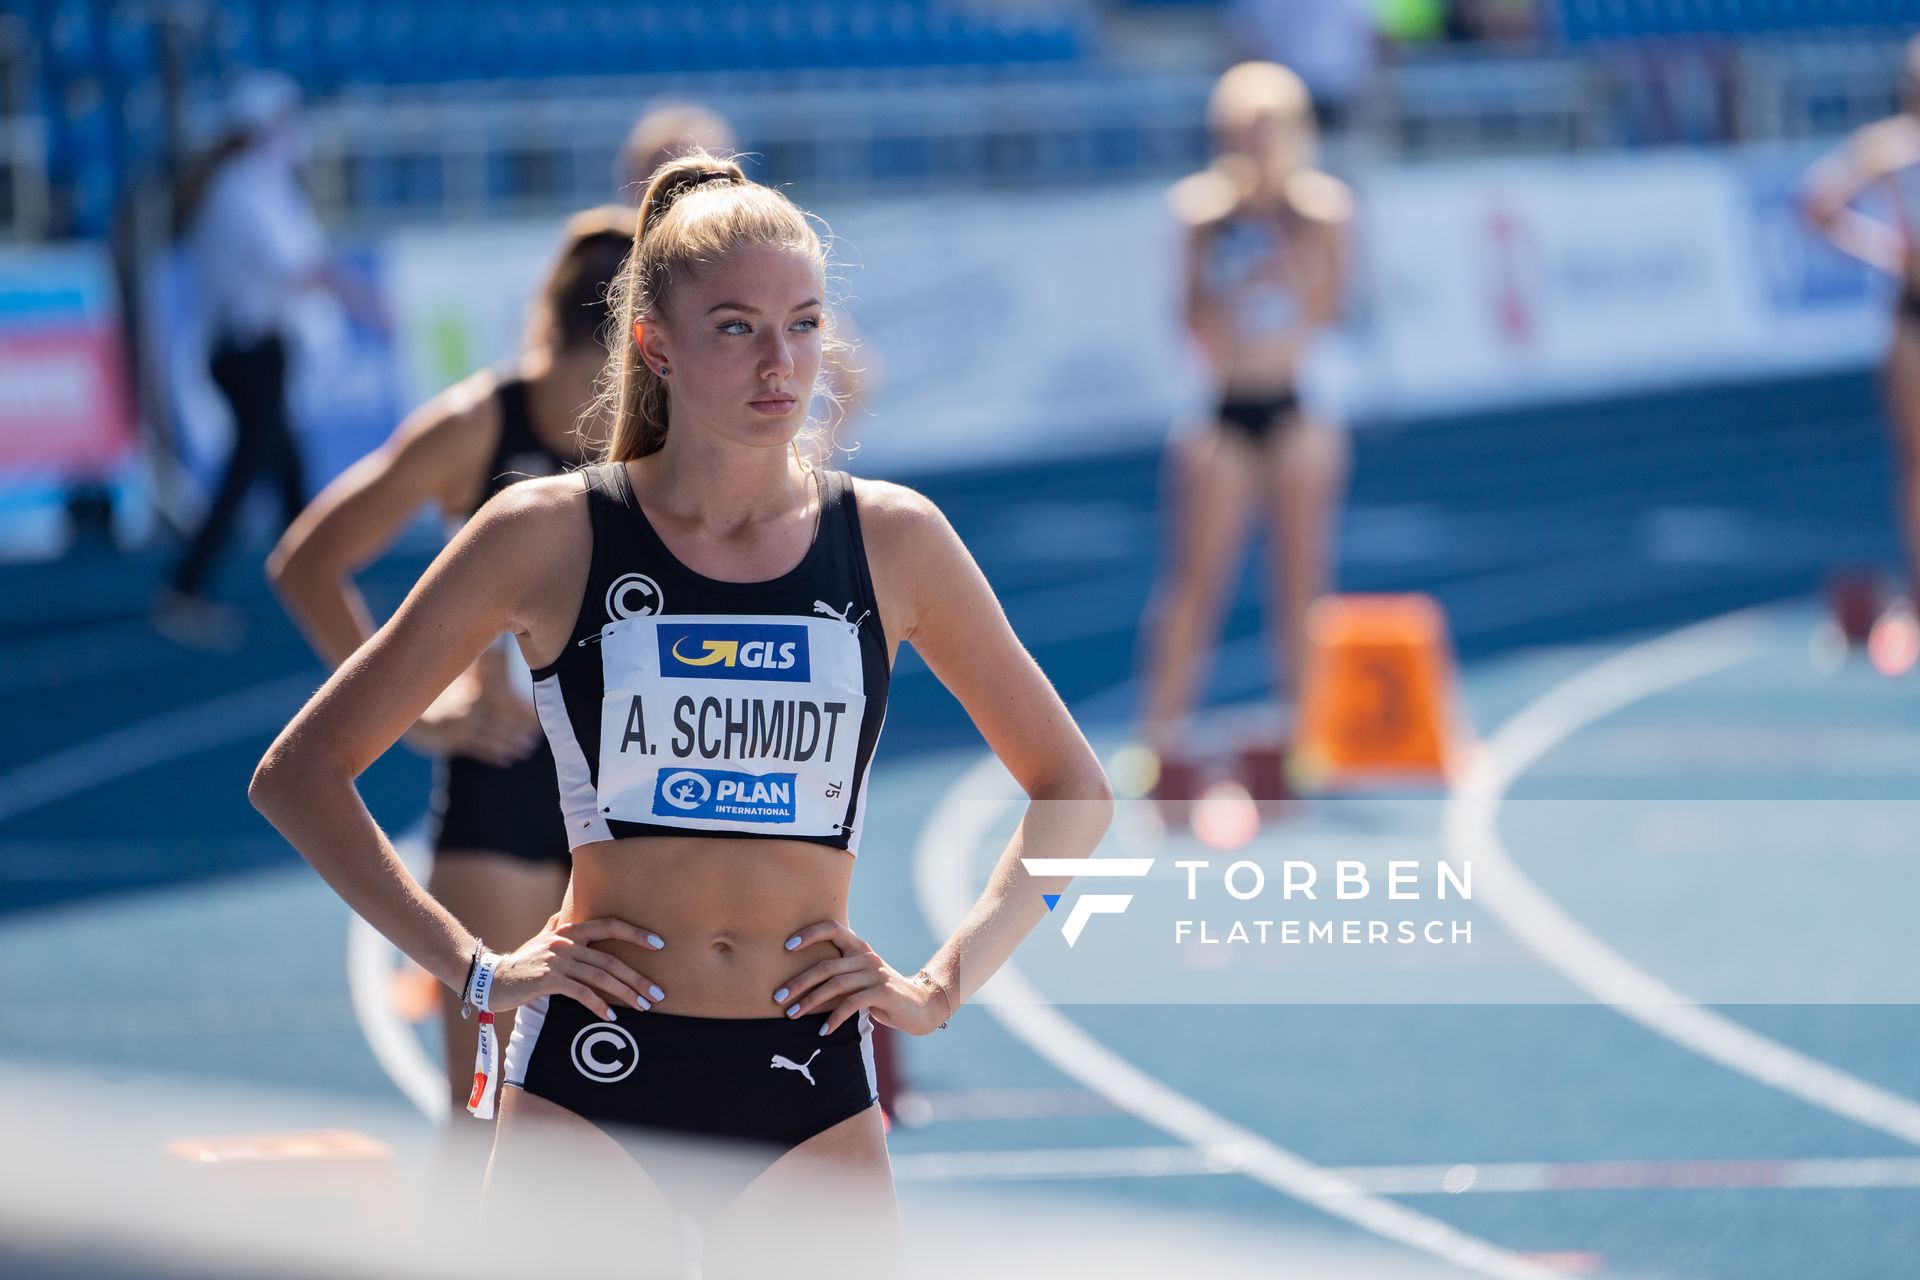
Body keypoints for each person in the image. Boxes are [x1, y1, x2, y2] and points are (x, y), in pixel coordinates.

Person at [248, 152, 1112, 1274]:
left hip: (808, 1078)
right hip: (598, 1079)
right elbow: (298, 773)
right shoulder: (546, 532)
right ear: (654, 340)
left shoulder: (896, 541)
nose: (781, 362)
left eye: (803, 324)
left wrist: (945, 981)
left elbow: (1075, 789)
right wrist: (468, 965)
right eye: (737, 328)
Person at [266, 207, 633, 1122]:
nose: (613, 410)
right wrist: (419, 713)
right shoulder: (474, 425)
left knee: (614, 1125)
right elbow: (308, 563)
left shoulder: (656, 435)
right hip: (506, 776)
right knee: (487, 1107)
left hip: (634, 784)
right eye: (603, 381)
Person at [1140, 61, 1354, 800]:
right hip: (1224, 409)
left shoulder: (1324, 211)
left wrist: (1292, 275)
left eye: (1273, 130)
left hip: (1294, 407)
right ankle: (1160, 740)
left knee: (1303, 585)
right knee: (1195, 583)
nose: (1260, 144)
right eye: (1246, 131)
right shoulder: (1201, 212)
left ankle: (1306, 739)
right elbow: (1189, 316)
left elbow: (1330, 312)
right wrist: (1237, 295)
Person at [154, 70, 377, 652]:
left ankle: (308, 576)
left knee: (282, 463)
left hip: (258, 349)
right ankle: (197, 585)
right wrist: (364, 303)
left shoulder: (254, 183)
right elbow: (299, 265)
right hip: (246, 350)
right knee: (257, 461)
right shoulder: (241, 188)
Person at [1802, 36, 1920, 661]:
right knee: (1919, 465)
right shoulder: (1891, 148)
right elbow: (1815, 202)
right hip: (1913, 317)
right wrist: (1884, 251)